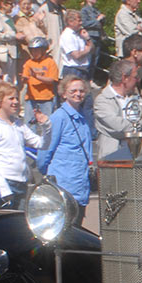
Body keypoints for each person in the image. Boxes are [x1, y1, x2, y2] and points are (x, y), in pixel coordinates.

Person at [0, 81, 41, 208]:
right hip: (4, 182)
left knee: (20, 223)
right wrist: (3, 188)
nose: (16, 102)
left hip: (21, 182)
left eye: (17, 98)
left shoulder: (18, 124)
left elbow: (40, 143)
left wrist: (46, 126)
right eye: (11, 98)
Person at [41, 76, 94, 209]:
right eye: (73, 91)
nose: (78, 94)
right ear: (64, 94)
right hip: (63, 185)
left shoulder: (83, 118)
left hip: (80, 186)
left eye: (81, 91)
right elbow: (45, 151)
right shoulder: (58, 117)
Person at [96, 59, 142, 158]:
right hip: (113, 158)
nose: (138, 80)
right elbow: (118, 126)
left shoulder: (137, 98)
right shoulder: (103, 100)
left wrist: (136, 131)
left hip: (139, 156)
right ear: (125, 78)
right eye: (135, 77)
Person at [20, 36, 59, 135]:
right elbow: (25, 78)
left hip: (46, 98)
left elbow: (51, 80)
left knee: (46, 124)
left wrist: (36, 76)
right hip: (31, 98)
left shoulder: (50, 63)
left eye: (37, 50)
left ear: (43, 50)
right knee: (29, 123)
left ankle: (46, 145)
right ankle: (30, 147)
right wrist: (24, 79)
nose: (34, 53)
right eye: (32, 51)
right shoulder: (29, 63)